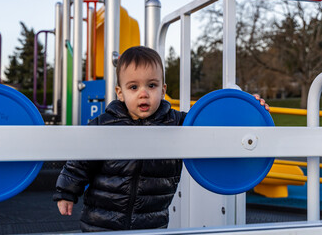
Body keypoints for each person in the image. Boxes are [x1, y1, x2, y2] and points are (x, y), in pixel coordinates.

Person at [53, 46, 269, 232]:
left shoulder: (177, 124)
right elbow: (79, 162)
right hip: (101, 222)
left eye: (152, 85)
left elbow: (214, 124)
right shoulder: (104, 125)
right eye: (134, 87)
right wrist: (66, 192)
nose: (143, 93)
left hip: (151, 222)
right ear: (120, 93)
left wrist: (249, 108)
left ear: (163, 90)